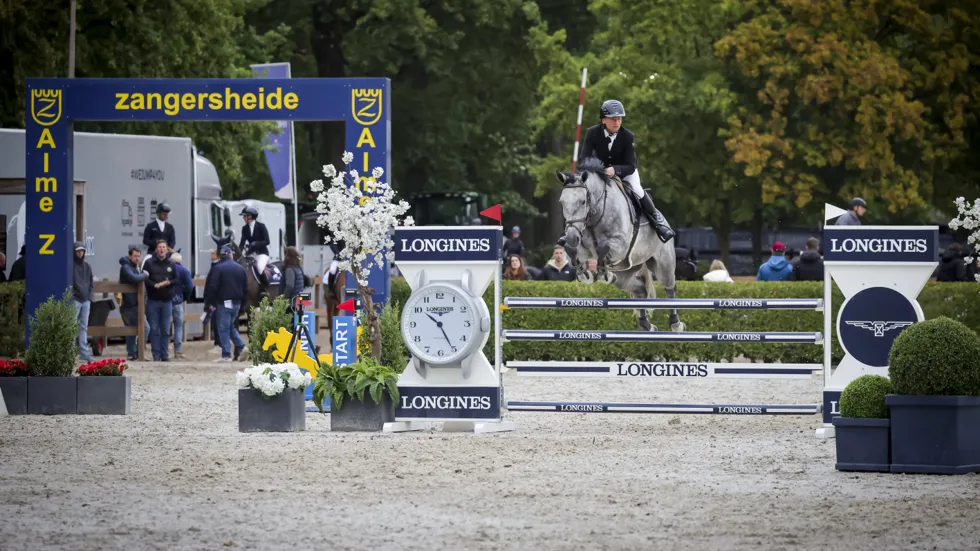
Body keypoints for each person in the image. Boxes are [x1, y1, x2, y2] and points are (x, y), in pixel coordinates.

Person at [568, 99, 674, 243]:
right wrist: (599, 169)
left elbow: (631, 165)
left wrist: (615, 170)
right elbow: (583, 159)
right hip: (601, 172)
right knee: (583, 190)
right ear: (603, 120)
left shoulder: (627, 136)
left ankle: (656, 220)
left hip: (625, 171)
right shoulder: (592, 133)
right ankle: (573, 225)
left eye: (619, 119)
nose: (617, 122)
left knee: (637, 189)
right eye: (613, 119)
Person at [205, 244, 248, 362]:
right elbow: (245, 288)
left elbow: (212, 287)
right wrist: (243, 305)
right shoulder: (241, 268)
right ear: (231, 255)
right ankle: (241, 346)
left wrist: (209, 303)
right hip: (237, 303)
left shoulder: (218, 268)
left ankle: (226, 354)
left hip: (224, 303)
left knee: (223, 328)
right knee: (230, 327)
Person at [144, 239, 177, 362]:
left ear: (167, 249)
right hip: (153, 300)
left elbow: (176, 279)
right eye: (160, 247)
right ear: (156, 249)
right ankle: (156, 354)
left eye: (164, 247)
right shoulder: (149, 263)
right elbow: (145, 279)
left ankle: (165, 354)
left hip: (167, 301)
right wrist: (154, 285)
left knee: (165, 329)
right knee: (154, 328)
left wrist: (169, 283)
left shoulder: (171, 264)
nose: (162, 249)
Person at [118, 247, 149, 361]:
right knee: (142, 328)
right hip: (130, 304)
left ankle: (133, 353)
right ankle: (136, 352)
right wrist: (145, 275)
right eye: (135, 256)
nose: (137, 258)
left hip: (137, 304)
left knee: (133, 329)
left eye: (139, 256)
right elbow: (134, 278)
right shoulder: (126, 267)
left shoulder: (134, 266)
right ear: (130, 256)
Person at [72, 241, 95, 362]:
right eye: (78, 251)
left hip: (86, 301)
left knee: (83, 327)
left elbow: (91, 283)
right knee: (71, 327)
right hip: (75, 299)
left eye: (82, 251)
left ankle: (84, 353)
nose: (80, 253)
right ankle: (69, 352)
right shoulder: (70, 266)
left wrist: (90, 298)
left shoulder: (87, 266)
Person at [169, 253, 194, 359]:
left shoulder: (167, 269)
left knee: (164, 326)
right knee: (178, 326)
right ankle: (177, 351)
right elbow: (190, 286)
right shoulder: (184, 270)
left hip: (166, 301)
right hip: (178, 301)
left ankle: (164, 349)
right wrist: (185, 297)